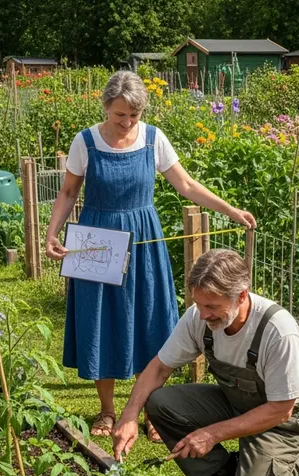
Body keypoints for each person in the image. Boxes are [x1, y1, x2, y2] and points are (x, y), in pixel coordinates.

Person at [45, 71, 256, 442]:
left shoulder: (154, 139)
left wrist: (231, 211)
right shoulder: (86, 141)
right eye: (119, 115)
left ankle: (152, 410)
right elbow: (67, 192)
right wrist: (51, 233)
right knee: (101, 320)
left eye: (133, 115)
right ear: (106, 108)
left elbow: (186, 185)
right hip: (98, 240)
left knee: (149, 319)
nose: (127, 122)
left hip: (144, 239)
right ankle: (108, 410)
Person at [112, 249, 299, 476]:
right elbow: (158, 368)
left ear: (241, 296)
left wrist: (212, 434)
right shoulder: (199, 317)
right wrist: (129, 416)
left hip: (281, 424)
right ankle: (220, 475)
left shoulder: (277, 330)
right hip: (235, 404)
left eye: (212, 306)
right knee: (160, 403)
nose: (203, 314)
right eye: (199, 304)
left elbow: (282, 409)